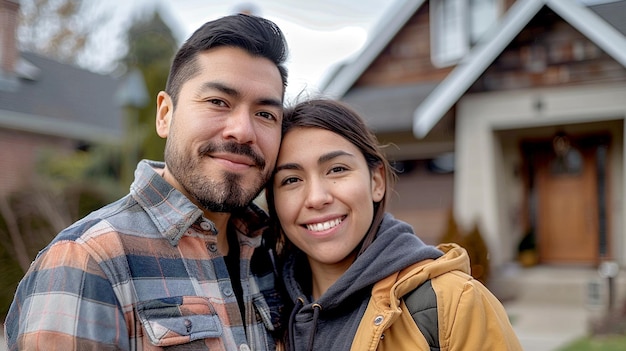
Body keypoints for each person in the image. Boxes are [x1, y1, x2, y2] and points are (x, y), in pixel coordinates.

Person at [5, 14, 289, 351]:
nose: (243, 130)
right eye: (218, 102)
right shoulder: (89, 259)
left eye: (265, 114)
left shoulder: (274, 254)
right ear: (164, 115)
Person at [265, 99, 523, 351]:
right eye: (291, 180)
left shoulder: (455, 302)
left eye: (337, 169)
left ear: (376, 182)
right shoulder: (262, 311)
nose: (317, 198)